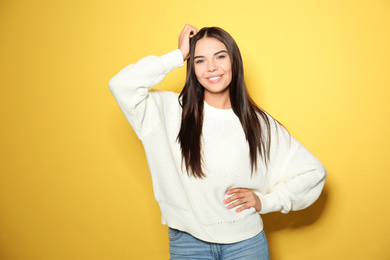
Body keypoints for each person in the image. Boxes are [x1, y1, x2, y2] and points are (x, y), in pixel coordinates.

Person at [109, 24, 326, 260]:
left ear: (234, 61)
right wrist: (178, 55)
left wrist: (266, 201)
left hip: (246, 245)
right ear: (191, 66)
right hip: (187, 244)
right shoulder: (167, 110)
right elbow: (121, 85)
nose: (211, 67)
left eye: (220, 57)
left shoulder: (258, 123)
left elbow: (313, 173)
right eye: (199, 60)